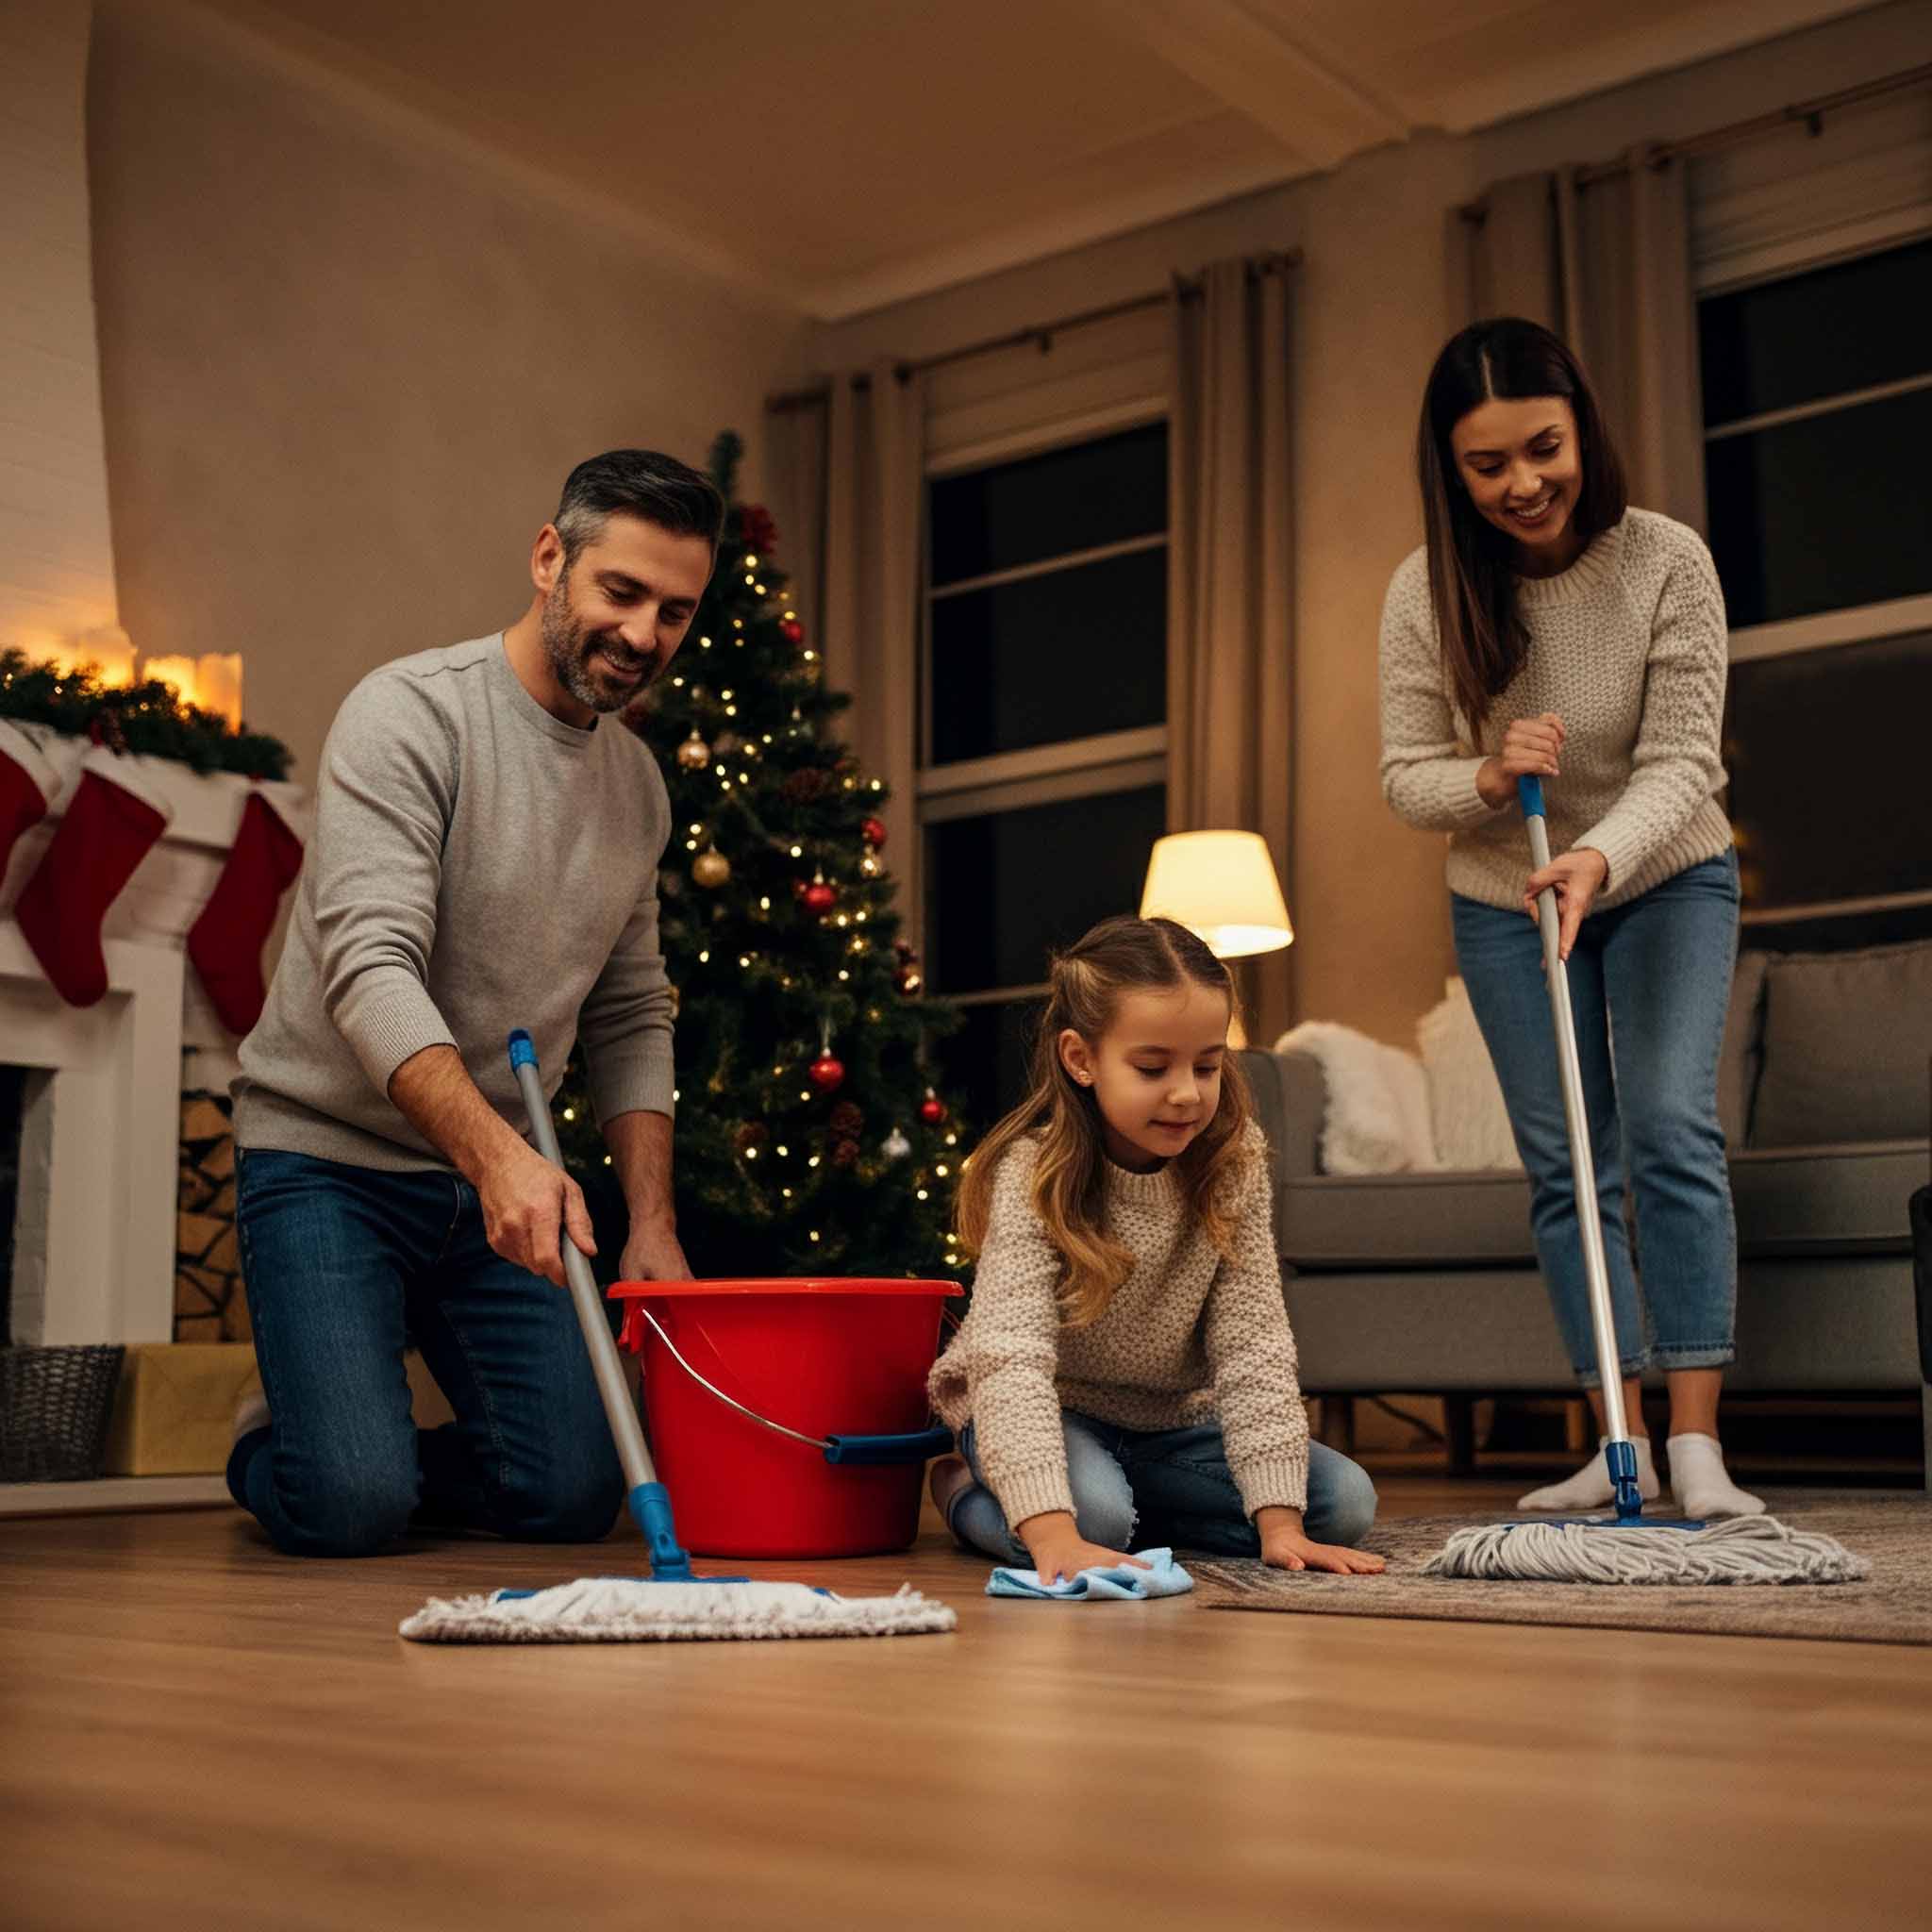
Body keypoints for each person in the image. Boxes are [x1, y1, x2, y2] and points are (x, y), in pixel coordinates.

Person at [226, 448, 723, 1557]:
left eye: (674, 611)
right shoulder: (409, 714)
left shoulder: (638, 788)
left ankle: (362, 1443)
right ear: (550, 559)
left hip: (495, 1180)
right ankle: (295, 1440)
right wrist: (499, 1158)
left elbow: (631, 1011)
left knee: (571, 1494)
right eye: (621, 591)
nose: (643, 634)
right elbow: (370, 965)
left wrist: (650, 1222)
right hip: (327, 1159)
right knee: (349, 1504)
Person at [1378, 317, 1759, 1519]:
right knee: (1565, 1163)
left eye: (1540, 448)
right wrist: (1488, 776)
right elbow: (1404, 776)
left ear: (1580, 429)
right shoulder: (1426, 591)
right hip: (1506, 895)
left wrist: (1598, 854)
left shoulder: (1665, 559)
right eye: (1485, 464)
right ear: (1451, 469)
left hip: (1663, 877)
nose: (1521, 483)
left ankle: (1693, 1444)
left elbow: (1683, 758)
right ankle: (1614, 1436)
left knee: (1667, 1127)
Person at [925, 915, 1383, 1583]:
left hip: (1169, 1428)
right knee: (1090, 1522)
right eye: (1152, 1067)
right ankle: (966, 1492)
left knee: (1341, 1503)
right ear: (1081, 1059)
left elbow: (1254, 1345)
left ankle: (1124, 1517)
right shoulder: (1034, 1174)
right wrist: (1053, 1534)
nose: (1186, 1093)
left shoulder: (1234, 1163)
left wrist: (1281, 1524)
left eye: (1207, 1065)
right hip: (1049, 1412)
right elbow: (1011, 1359)